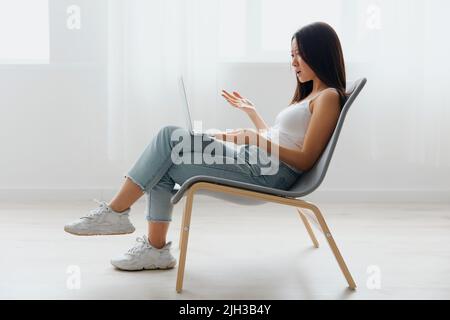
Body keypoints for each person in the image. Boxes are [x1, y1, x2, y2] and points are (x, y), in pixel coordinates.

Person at [64, 21, 348, 271]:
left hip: (266, 172)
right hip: (257, 161)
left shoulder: (328, 97)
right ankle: (156, 249)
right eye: (291, 55)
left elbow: (305, 159)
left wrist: (254, 138)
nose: (294, 62)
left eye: (299, 54)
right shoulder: (309, 96)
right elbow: (280, 139)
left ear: (318, 52)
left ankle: (115, 214)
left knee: (168, 136)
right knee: (166, 162)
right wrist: (253, 117)